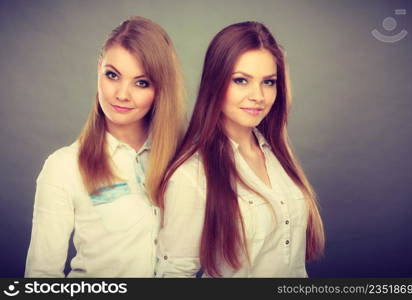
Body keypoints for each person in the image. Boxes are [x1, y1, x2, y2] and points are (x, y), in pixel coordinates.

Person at [155, 21, 324, 277]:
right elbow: (174, 274)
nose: (258, 95)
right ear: (215, 83)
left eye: (268, 82)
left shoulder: (278, 155)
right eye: (241, 80)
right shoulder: (192, 175)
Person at [25, 16, 185, 277]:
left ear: (161, 89)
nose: (122, 94)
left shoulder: (183, 161)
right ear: (99, 69)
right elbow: (41, 277)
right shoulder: (63, 167)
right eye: (112, 75)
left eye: (141, 82)